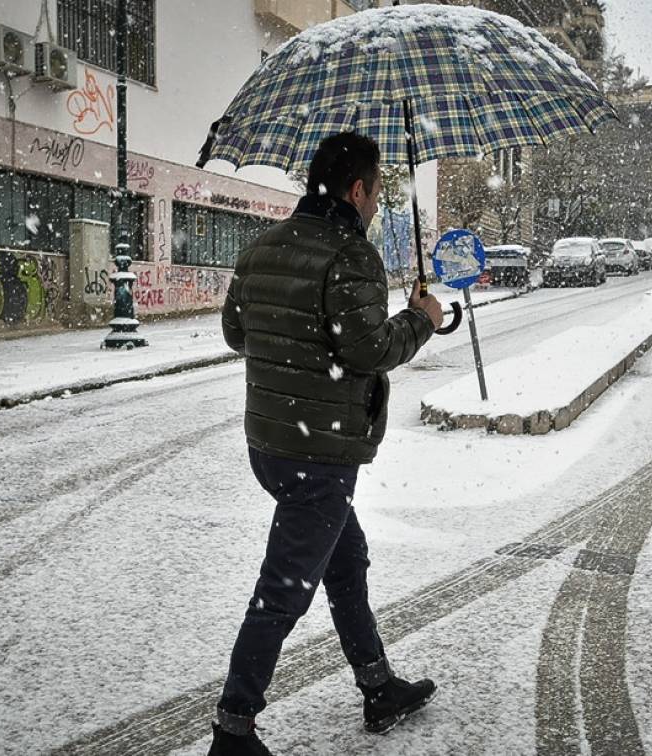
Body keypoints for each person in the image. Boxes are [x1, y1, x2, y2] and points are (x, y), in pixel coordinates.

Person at [211, 132, 444, 756]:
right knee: (281, 593)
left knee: (346, 560)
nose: (376, 209)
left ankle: (378, 687)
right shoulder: (351, 253)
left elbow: (238, 332)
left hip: (271, 446)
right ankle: (233, 731)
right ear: (358, 189)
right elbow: (367, 350)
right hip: (321, 456)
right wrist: (422, 318)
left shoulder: (262, 247)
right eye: (376, 194)